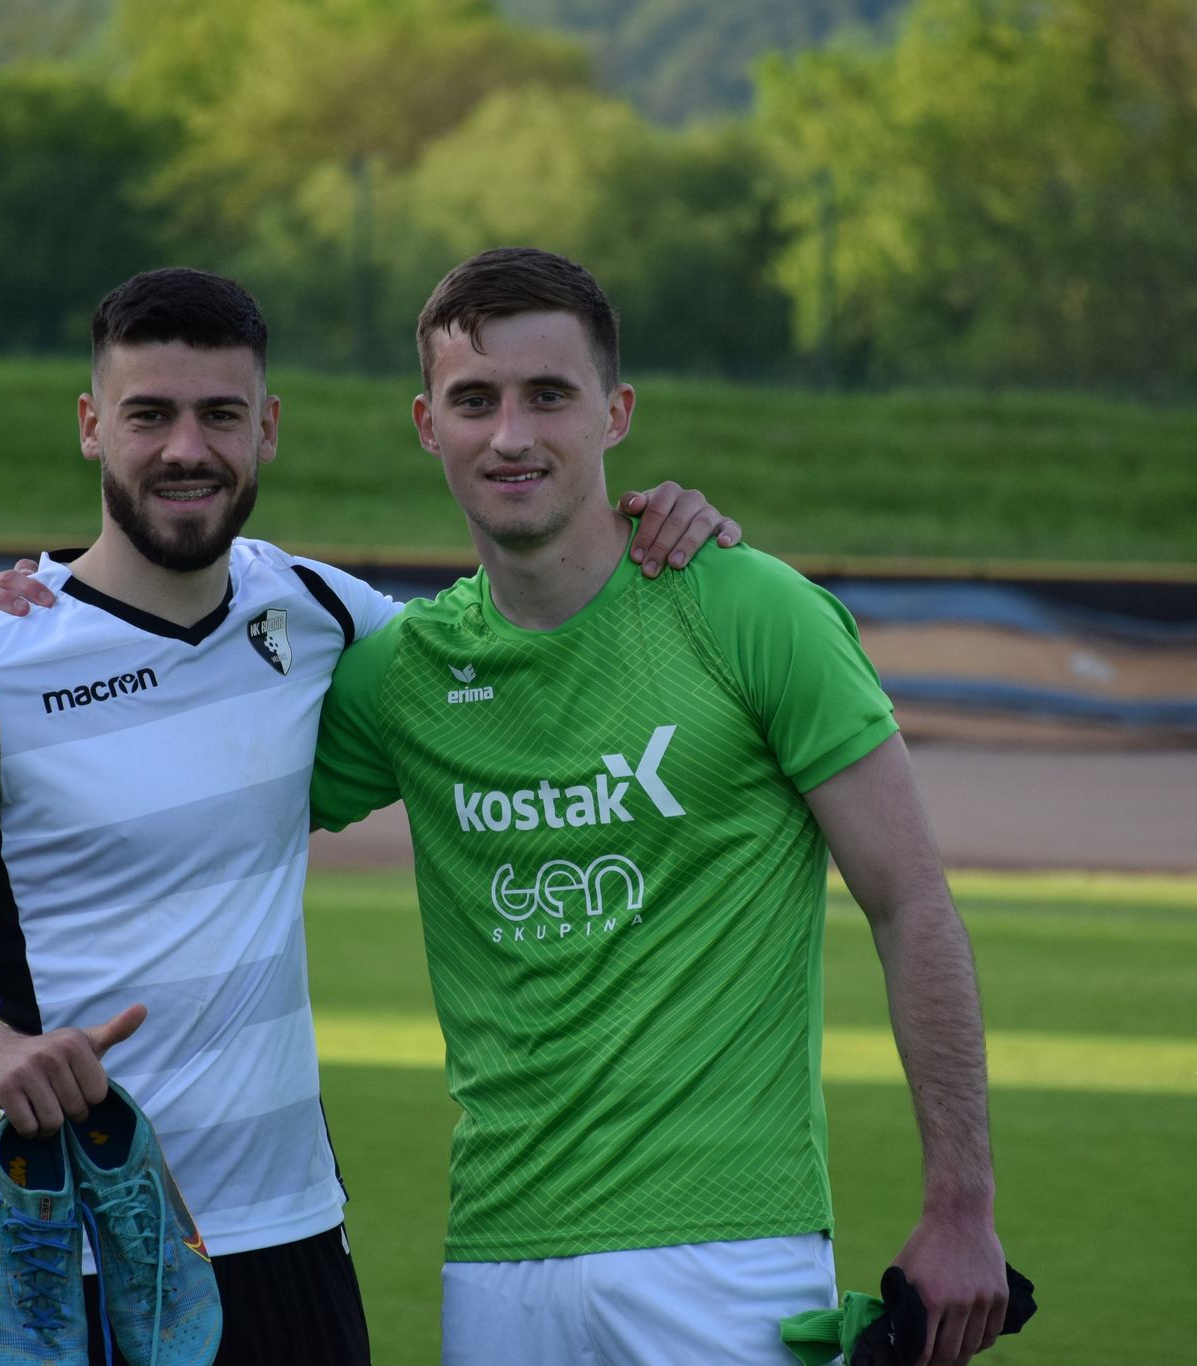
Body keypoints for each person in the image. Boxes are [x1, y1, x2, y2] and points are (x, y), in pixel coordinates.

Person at [0, 265, 739, 1366]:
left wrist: (655, 525)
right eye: (148, 415)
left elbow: (518, 648)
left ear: (268, 429)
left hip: (299, 1243)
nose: (186, 449)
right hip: (91, 1259)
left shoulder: (316, 612)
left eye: (221, 415)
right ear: (91, 425)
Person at [303, 247, 1009, 1366]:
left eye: (549, 395)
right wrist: (39, 606)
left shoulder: (751, 610)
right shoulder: (404, 673)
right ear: (427, 425)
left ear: (616, 413)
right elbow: (197, 796)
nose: (511, 435)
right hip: (496, 1258)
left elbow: (910, 902)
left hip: (730, 1251)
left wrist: (961, 1204)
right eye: (474, 401)